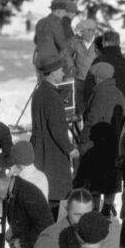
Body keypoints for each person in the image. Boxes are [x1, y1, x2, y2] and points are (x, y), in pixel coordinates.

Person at [75, 60, 125, 215]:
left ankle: (97, 211)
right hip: (114, 144)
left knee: (95, 182)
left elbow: (92, 120)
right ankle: (108, 206)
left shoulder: (100, 94)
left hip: (98, 146)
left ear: (98, 78)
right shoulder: (117, 92)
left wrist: (83, 141)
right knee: (110, 180)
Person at [31, 56, 77, 218]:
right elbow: (57, 128)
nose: (63, 72)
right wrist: (70, 149)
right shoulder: (52, 95)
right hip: (54, 154)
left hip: (41, 152)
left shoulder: (39, 92)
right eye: (60, 69)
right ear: (51, 73)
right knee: (56, 198)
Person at [34, 0, 75, 70]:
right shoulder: (56, 23)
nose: (65, 13)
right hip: (52, 63)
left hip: (40, 63)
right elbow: (62, 44)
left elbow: (36, 40)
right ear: (59, 11)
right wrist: (74, 40)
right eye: (64, 11)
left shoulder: (40, 22)